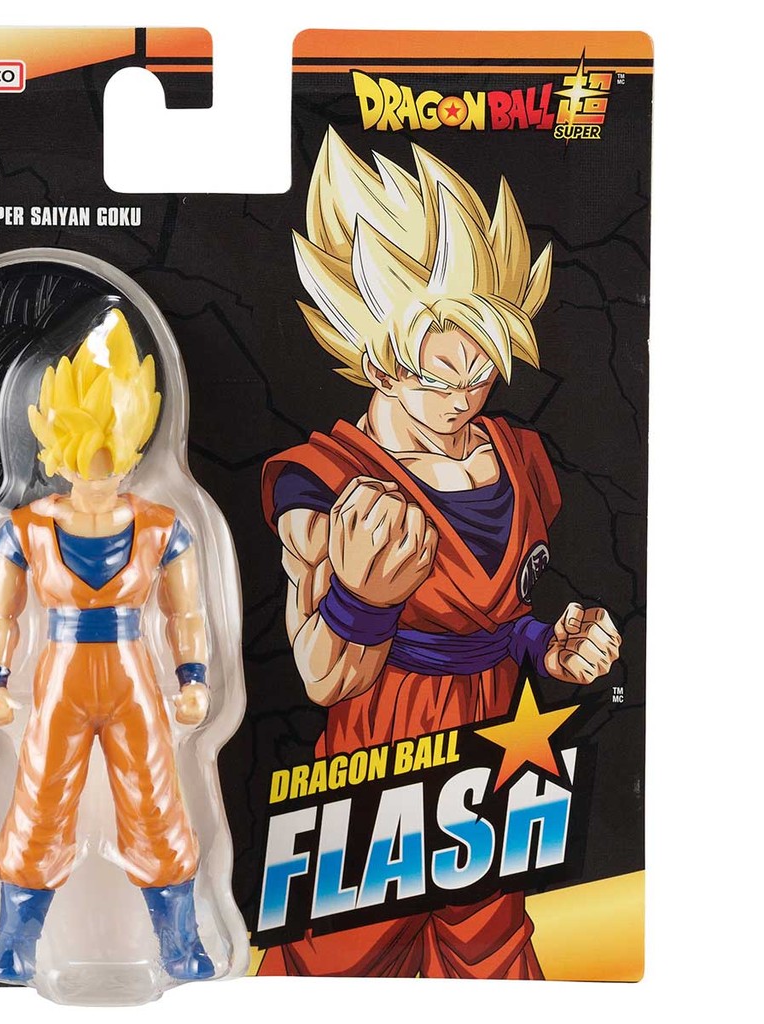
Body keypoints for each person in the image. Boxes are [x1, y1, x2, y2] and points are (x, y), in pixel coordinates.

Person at [259, 128, 621, 978]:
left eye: (480, 372)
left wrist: (548, 646)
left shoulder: (519, 456)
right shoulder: (326, 484)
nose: (462, 398)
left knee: (493, 960)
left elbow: (498, 616)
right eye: (436, 375)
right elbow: (323, 677)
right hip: (374, 764)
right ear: (378, 362)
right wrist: (362, 600)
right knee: (334, 966)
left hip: (499, 749)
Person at [0, 309, 213, 984]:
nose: (100, 467)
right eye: (87, 450)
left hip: (135, 676)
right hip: (61, 678)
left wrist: (193, 677)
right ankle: (15, 940)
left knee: (156, 802)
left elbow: (186, 612)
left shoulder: (162, 525)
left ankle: (179, 941)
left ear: (135, 441)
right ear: (58, 445)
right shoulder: (23, 529)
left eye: (113, 447)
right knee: (41, 800)